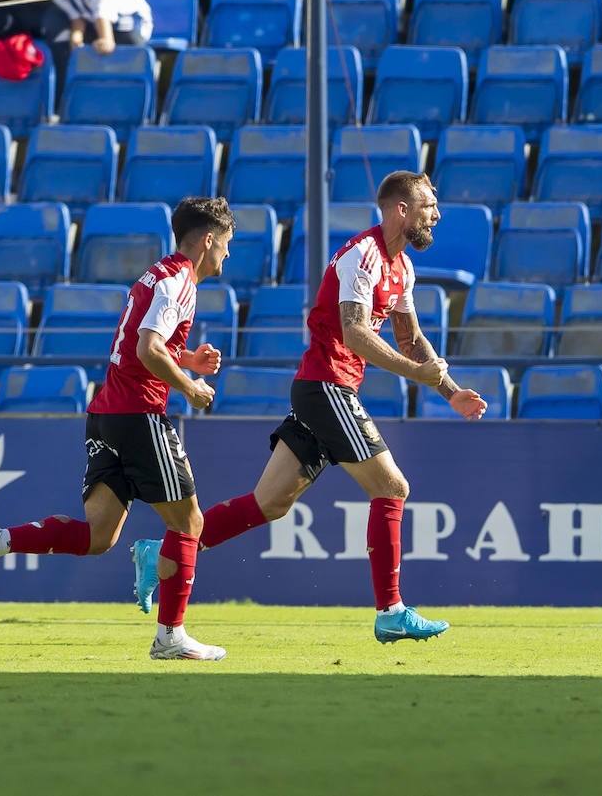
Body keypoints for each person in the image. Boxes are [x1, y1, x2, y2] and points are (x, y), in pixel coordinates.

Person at [132, 172, 488, 644]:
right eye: (428, 205)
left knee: (269, 503)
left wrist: (448, 388)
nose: (436, 214)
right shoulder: (362, 255)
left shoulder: (402, 268)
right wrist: (414, 373)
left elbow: (411, 338)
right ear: (400, 208)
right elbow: (354, 333)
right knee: (392, 486)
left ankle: (163, 551)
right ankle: (391, 609)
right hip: (327, 388)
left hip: (327, 389)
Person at [0, 196, 234, 662]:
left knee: (98, 536)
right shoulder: (179, 281)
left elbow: (141, 346)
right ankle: (171, 636)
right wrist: (190, 386)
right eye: (226, 244)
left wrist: (186, 359)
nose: (228, 254)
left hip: (106, 413)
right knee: (190, 522)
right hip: (138, 414)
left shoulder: (158, 274)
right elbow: (148, 350)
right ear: (208, 240)